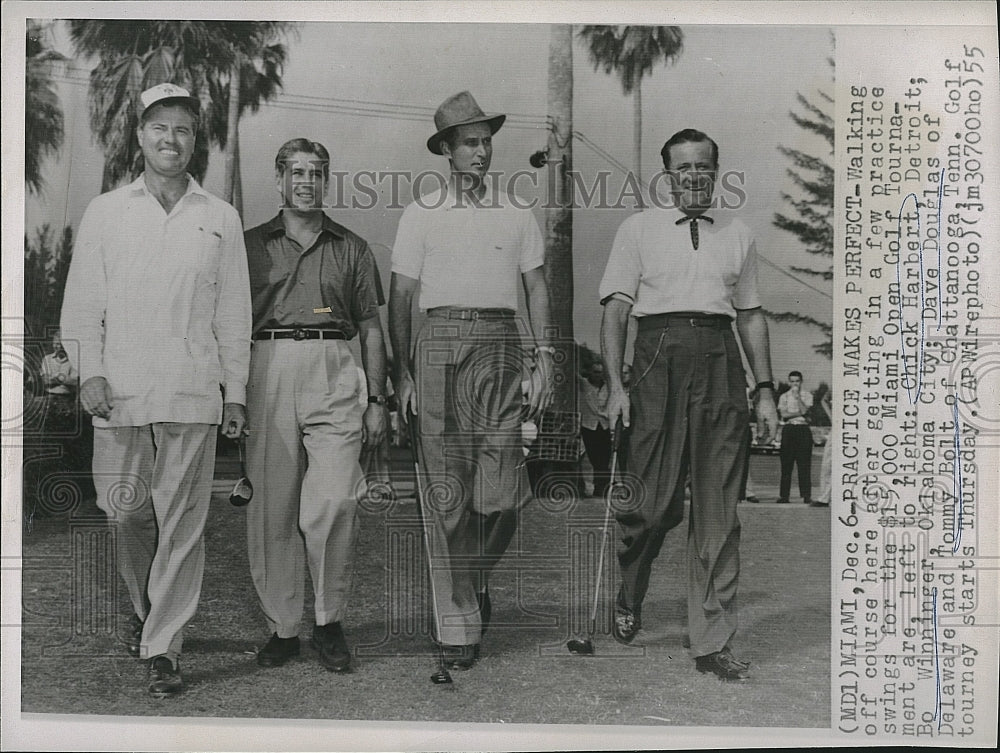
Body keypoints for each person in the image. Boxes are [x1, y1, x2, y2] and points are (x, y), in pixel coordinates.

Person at [60, 83, 251, 697]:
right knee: (124, 512)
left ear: (198, 141)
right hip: (119, 393)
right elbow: (83, 302)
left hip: (193, 392)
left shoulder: (219, 217)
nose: (172, 140)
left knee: (184, 522)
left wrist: (237, 391)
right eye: (160, 128)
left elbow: (234, 315)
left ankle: (164, 644)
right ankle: (148, 613)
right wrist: (88, 369)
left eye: (185, 130)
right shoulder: (107, 210)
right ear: (139, 136)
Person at [599, 128, 779, 681]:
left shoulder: (738, 235)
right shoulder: (638, 229)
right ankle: (630, 590)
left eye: (704, 166)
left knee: (718, 510)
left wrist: (765, 388)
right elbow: (615, 313)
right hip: (657, 360)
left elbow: (749, 315)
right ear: (668, 177)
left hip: (721, 364)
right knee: (651, 506)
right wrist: (615, 385)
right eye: (683, 169)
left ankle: (711, 639)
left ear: (716, 171)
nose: (694, 176)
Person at [389, 91, 554, 669]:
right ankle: (460, 617)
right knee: (449, 491)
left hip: (502, 344)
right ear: (447, 151)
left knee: (502, 494)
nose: (481, 152)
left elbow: (535, 287)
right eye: (470, 143)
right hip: (438, 343)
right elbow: (402, 296)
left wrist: (544, 355)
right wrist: (402, 371)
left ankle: (474, 578)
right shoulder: (422, 211)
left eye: (487, 142)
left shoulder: (515, 210)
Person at [243, 138, 388, 673]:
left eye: (317, 172)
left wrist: (378, 399)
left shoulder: (351, 247)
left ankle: (327, 622)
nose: (307, 181)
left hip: (333, 365)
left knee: (332, 500)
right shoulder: (249, 245)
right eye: (296, 172)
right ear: (279, 178)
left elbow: (371, 330)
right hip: (267, 366)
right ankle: (283, 628)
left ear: (328, 180)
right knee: (272, 507)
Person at [776, 371, 814, 505]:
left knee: (804, 464)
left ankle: (806, 495)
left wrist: (798, 398)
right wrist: (798, 413)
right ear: (789, 382)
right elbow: (784, 415)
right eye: (792, 381)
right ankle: (784, 496)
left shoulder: (807, 395)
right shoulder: (783, 397)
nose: (794, 384)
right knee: (786, 463)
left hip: (803, 429)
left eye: (797, 381)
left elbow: (805, 410)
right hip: (789, 429)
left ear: (801, 381)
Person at [579, 360, 611, 497]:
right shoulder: (584, 384)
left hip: (605, 425)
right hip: (588, 425)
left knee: (604, 458)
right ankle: (600, 485)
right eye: (596, 372)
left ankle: (601, 487)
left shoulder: (608, 387)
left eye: (601, 372)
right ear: (590, 372)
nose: (598, 375)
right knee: (593, 457)